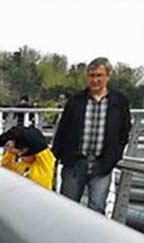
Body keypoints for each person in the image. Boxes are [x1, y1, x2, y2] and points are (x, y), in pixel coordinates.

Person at [52, 57, 132, 215]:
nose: (95, 80)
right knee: (66, 208)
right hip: (75, 163)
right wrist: (57, 157)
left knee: (97, 209)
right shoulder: (76, 101)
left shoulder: (119, 102)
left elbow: (124, 132)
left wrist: (113, 157)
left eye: (99, 75)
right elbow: (62, 130)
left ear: (108, 76)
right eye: (92, 75)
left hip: (102, 164)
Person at [0, 125, 56, 190]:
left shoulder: (44, 164)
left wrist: (15, 136)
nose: (19, 154)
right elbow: (5, 169)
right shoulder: (19, 165)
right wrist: (10, 142)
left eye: (21, 150)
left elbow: (36, 139)